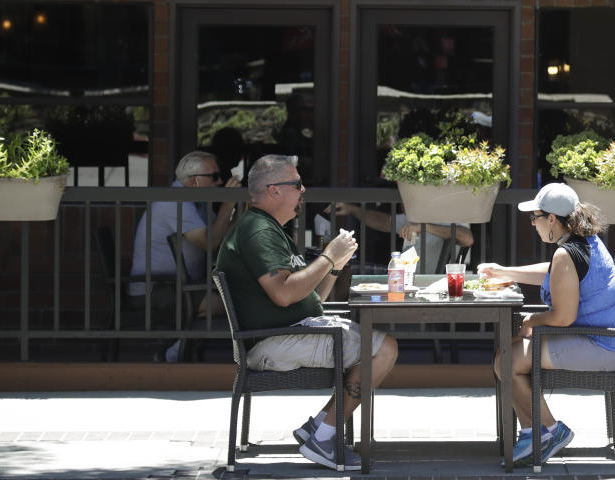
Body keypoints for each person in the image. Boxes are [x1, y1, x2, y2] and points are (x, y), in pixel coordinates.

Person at [215, 154, 398, 471]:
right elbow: (284, 294)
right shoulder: (259, 231)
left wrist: (333, 267)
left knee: (377, 344)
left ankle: (320, 427)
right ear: (274, 191)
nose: (303, 191)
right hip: (272, 342)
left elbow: (310, 298)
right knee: (384, 348)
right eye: (297, 184)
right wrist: (327, 257)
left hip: (289, 332)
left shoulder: (268, 228)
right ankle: (324, 437)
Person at [476, 182, 615, 466]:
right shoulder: (583, 241)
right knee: (507, 355)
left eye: (534, 217)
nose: (533, 224)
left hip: (604, 346)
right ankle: (535, 433)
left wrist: (530, 322)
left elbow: (563, 317)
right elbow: (553, 274)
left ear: (551, 219)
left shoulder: (566, 253)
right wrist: (503, 270)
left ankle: (549, 431)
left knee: (506, 361)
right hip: (609, 340)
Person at [129, 150, 240, 313]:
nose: (220, 181)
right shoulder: (175, 202)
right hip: (157, 290)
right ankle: (186, 337)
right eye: (214, 176)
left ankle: (188, 337)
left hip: (180, 287)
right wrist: (229, 203)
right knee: (235, 307)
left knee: (238, 299)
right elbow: (210, 242)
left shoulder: (197, 203)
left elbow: (221, 235)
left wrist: (241, 211)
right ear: (195, 180)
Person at [328, 202, 473, 272]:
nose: (402, 208)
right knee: (348, 270)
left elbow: (468, 238)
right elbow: (384, 221)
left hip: (421, 283)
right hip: (403, 279)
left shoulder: (442, 218)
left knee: (349, 272)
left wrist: (425, 227)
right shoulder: (412, 218)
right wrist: (353, 209)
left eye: (405, 204)